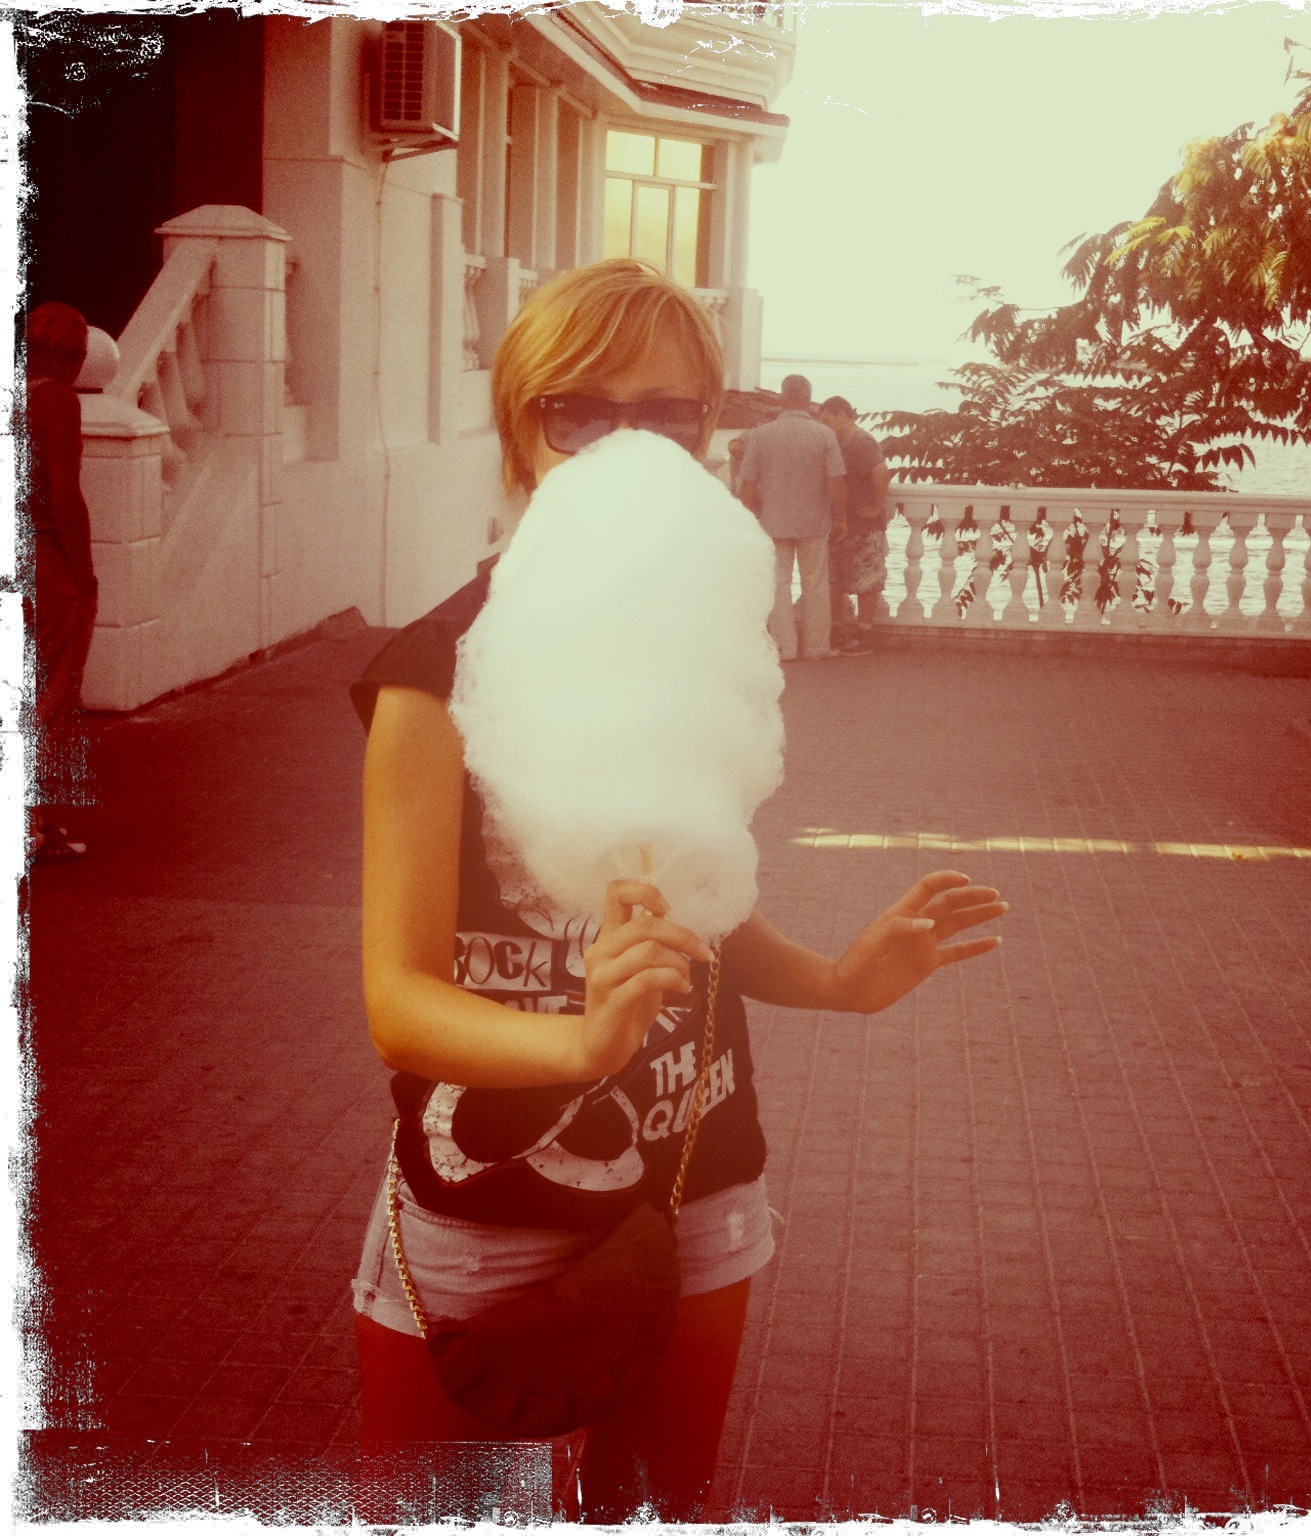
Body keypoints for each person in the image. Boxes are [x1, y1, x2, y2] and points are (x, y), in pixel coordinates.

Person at [350, 259, 1006, 1521]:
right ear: (518, 429)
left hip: (695, 1176)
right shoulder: (430, 680)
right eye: (579, 413)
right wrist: (576, 1042)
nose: (627, 448)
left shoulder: (696, 645)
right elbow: (399, 1001)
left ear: (709, 432)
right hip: (483, 1193)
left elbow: (695, 908)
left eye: (666, 414)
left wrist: (835, 982)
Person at [24, 302, 97, 863]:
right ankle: (25, 827)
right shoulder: (58, 402)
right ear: (72, 357)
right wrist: (85, 573)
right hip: (46, 559)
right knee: (49, 694)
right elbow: (65, 496)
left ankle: (30, 822)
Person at [736, 375, 845, 662]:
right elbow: (836, 481)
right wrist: (841, 516)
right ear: (809, 399)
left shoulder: (760, 434)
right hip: (814, 520)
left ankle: (785, 647)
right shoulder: (824, 435)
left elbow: (748, 483)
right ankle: (816, 646)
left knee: (778, 584)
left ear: (783, 398)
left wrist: (742, 519)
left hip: (773, 521)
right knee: (815, 584)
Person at [818, 396, 891, 655]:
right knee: (835, 580)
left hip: (864, 525)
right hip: (841, 523)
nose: (825, 426)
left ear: (842, 415)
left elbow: (881, 471)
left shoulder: (861, 442)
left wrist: (877, 507)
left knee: (866, 580)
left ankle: (864, 634)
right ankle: (837, 630)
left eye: (827, 420)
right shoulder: (838, 443)